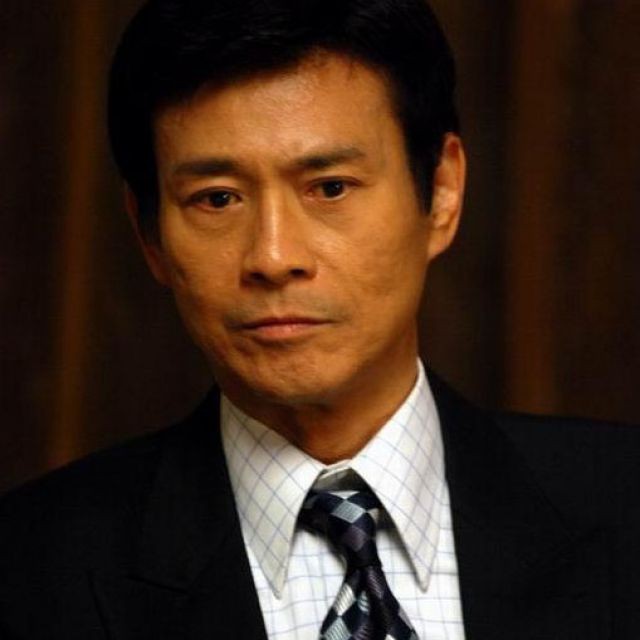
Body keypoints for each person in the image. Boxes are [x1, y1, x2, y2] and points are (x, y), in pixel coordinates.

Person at [1, 0, 639, 638]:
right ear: (150, 236)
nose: (273, 257)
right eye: (217, 199)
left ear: (442, 192)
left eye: (330, 187)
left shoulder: (621, 501)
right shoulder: (29, 569)